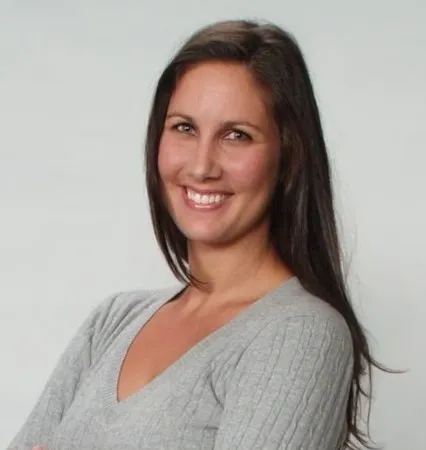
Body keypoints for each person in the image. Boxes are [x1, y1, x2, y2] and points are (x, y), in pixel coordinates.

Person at [9, 19, 385, 450]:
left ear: (288, 157)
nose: (202, 166)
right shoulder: (112, 322)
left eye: (236, 135)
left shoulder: (302, 336)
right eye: (184, 128)